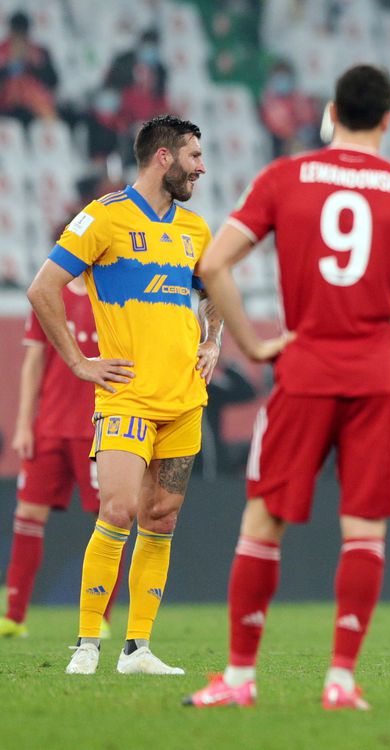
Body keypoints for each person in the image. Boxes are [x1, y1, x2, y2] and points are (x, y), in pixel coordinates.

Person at [184, 64, 390, 711]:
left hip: (304, 364)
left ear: (331, 112)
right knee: (364, 528)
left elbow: (212, 264)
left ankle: (240, 679)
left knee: (264, 518)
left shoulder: (285, 177)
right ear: (388, 117)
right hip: (379, 371)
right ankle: (341, 681)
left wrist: (248, 341)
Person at [25, 114, 220, 676]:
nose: (201, 168)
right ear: (164, 157)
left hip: (184, 400)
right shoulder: (104, 218)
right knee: (117, 509)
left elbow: (214, 295)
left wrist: (212, 342)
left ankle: (137, 650)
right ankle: (88, 643)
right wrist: (78, 362)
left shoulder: (195, 230)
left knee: (161, 519)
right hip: (127, 398)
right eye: (194, 157)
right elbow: (43, 288)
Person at [1, 277, 123, 640]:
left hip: (99, 426)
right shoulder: (48, 298)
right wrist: (25, 424)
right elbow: (34, 362)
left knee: (109, 519)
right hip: (50, 427)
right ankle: (14, 616)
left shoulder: (115, 296)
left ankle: (100, 617)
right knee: (27, 515)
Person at [0, 10, 59, 123]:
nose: (20, 38)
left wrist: (37, 66)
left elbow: (53, 82)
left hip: (34, 108)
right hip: (6, 106)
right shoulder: (1, 52)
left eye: (23, 33)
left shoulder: (40, 52)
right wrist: (8, 66)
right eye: (17, 33)